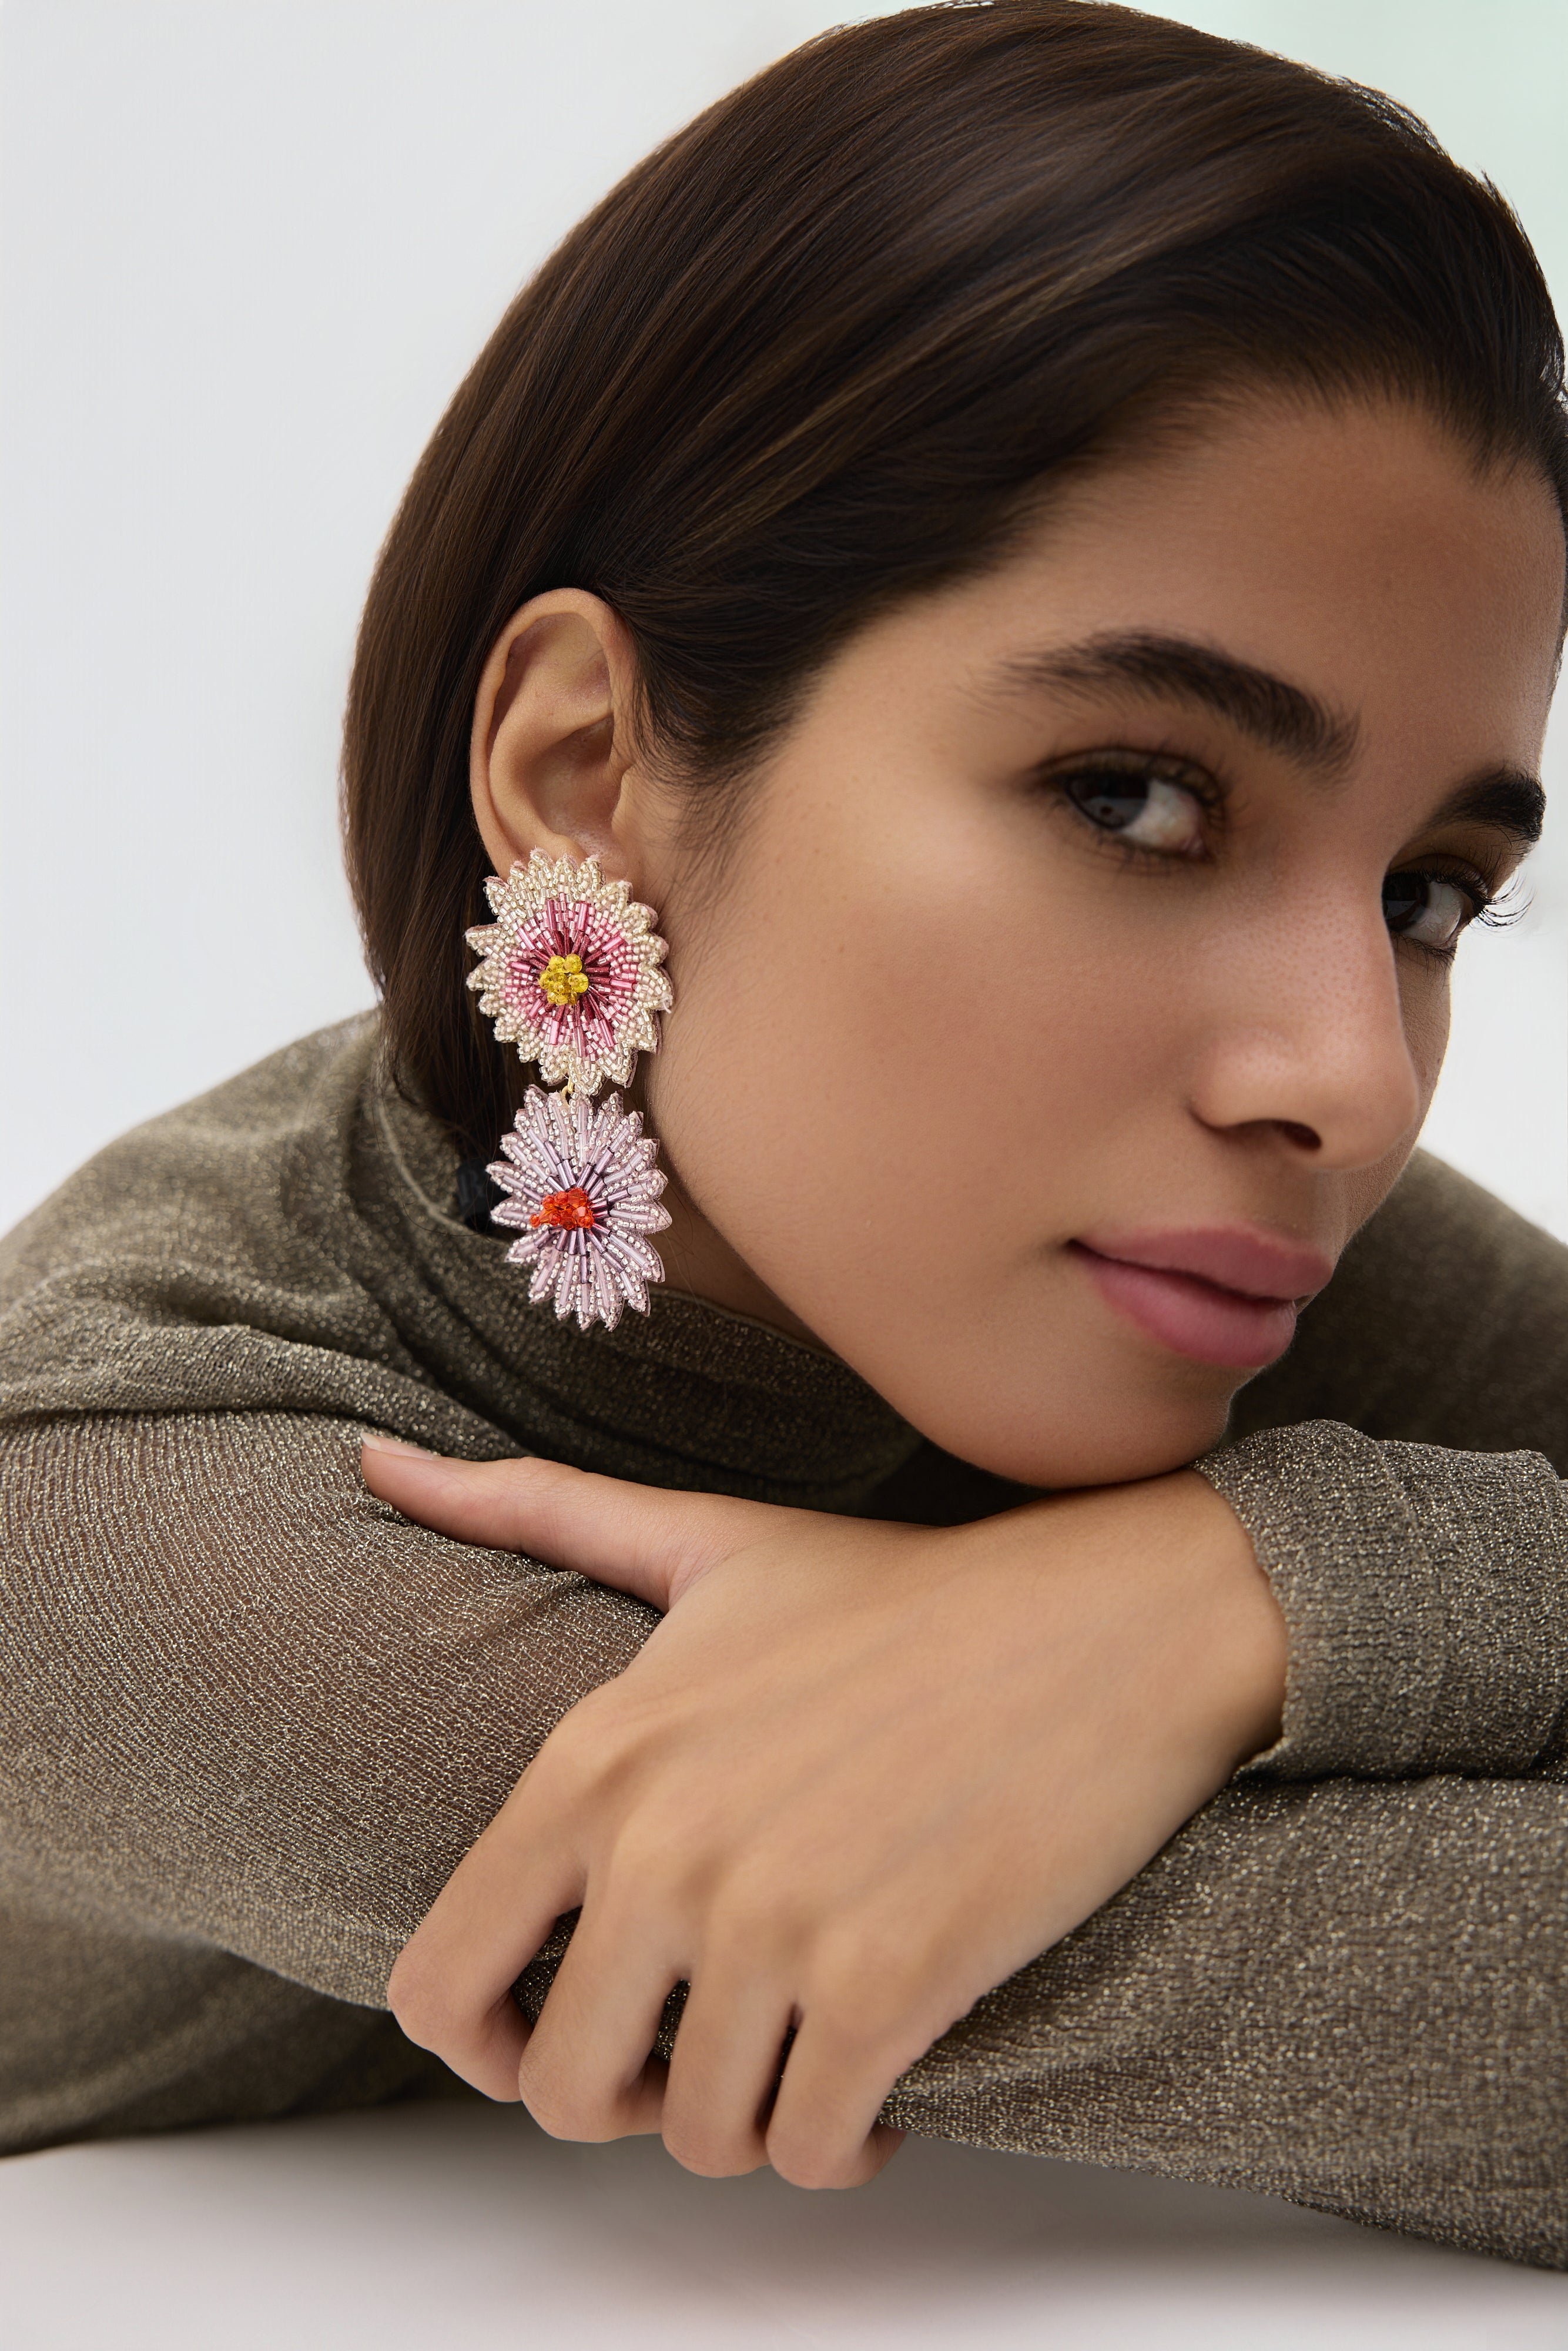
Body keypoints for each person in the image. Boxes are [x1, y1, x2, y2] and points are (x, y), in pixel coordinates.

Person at [2, 0, 1566, 2269]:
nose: (1342, 1076)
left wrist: (1233, 1592)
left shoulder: (1184, 1230)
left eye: (1428, 891)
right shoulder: (104, 1507)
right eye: (1133, 797)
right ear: (577, 770)